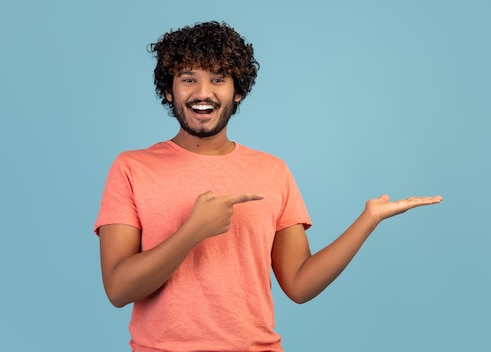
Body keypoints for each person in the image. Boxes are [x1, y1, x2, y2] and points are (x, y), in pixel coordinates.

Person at [94, 21, 442, 352]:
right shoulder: (132, 168)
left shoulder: (271, 171)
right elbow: (118, 288)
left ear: (238, 92)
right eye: (188, 79)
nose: (203, 93)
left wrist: (368, 220)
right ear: (169, 92)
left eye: (218, 79)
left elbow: (299, 283)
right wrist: (193, 231)